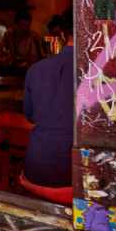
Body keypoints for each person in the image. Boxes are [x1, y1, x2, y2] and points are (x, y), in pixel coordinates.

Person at [23, 13, 75, 188]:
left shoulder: (36, 69)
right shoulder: (99, 70)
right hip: (75, 170)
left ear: (61, 35)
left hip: (37, 166)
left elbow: (29, 115)